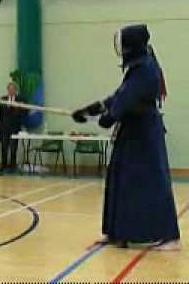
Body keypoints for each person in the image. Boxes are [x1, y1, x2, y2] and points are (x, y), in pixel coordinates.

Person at [72, 24, 180, 251]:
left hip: (145, 136)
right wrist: (92, 109)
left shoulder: (147, 68)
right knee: (120, 179)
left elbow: (128, 99)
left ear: (132, 45)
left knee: (153, 183)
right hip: (131, 133)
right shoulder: (137, 68)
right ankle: (117, 234)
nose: (120, 47)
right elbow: (119, 95)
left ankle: (170, 237)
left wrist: (107, 117)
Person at [0, 82, 24, 174]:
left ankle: (13, 165)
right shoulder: (3, 99)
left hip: (15, 127)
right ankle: (3, 165)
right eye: (9, 89)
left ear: (16, 90)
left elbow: (23, 113)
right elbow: (1, 114)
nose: (11, 91)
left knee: (13, 147)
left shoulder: (20, 99)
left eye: (13, 89)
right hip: (4, 127)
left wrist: (16, 107)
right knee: (4, 147)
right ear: (7, 90)